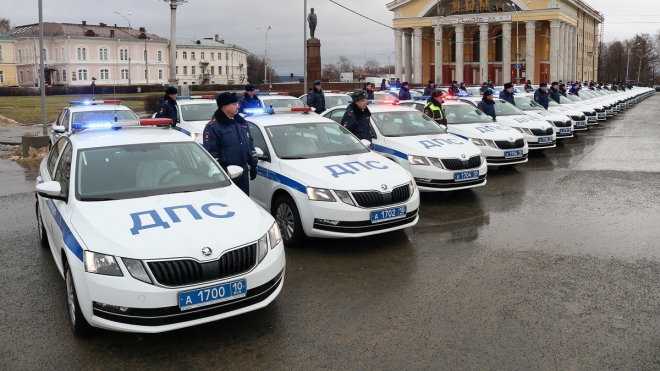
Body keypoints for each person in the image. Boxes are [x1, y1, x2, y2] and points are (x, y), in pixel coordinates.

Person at [203, 92, 258, 196]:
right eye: (233, 104)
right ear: (225, 107)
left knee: (244, 200)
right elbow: (211, 154)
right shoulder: (213, 127)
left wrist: (253, 164)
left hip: (243, 171)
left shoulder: (241, 122)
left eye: (237, 103)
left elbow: (249, 144)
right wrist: (219, 176)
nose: (237, 106)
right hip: (226, 173)